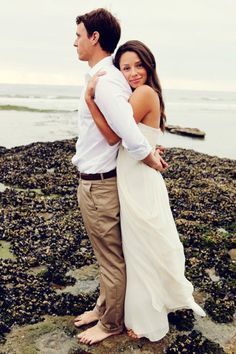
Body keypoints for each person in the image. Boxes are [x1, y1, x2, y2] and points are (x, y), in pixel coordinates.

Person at [84, 40, 206, 342]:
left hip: (138, 180)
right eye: (126, 67)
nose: (133, 72)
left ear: (149, 66)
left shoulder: (144, 93)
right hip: (134, 177)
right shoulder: (143, 94)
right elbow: (134, 136)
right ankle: (132, 311)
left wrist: (90, 100)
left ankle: (145, 317)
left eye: (139, 65)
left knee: (140, 247)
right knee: (137, 247)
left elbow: (114, 135)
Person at [72, 9, 168, 345]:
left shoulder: (107, 81)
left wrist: (148, 156)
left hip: (100, 183)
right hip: (101, 179)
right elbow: (127, 131)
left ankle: (110, 323)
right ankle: (104, 308)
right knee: (108, 255)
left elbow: (122, 132)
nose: (75, 42)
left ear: (94, 37)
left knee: (112, 258)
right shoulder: (108, 78)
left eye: (79, 35)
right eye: (128, 66)